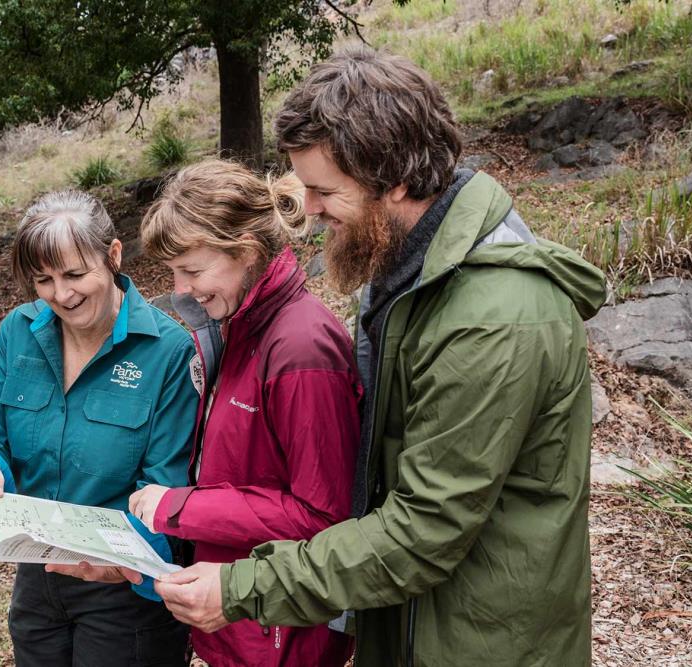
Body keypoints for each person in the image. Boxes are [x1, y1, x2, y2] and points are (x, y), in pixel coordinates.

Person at [153, 47, 607, 667]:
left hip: (484, 642)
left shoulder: (490, 317)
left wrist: (244, 588)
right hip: (420, 623)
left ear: (393, 179)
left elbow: (424, 530)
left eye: (323, 191)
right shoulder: (411, 279)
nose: (305, 211)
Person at [0, 190, 198, 667]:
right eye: (44, 280)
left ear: (113, 255)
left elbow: (168, 487)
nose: (62, 294)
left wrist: (121, 562)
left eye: (76, 274)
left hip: (125, 591)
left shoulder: (170, 352)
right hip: (37, 581)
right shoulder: (17, 331)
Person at [125, 159, 361, 667]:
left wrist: (180, 508)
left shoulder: (300, 347)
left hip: (285, 633)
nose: (180, 288)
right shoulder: (234, 325)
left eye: (191, 270)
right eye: (173, 272)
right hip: (242, 617)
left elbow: (322, 516)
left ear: (246, 253)